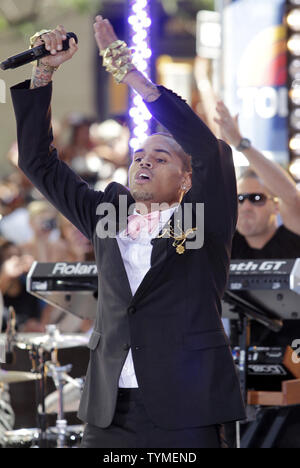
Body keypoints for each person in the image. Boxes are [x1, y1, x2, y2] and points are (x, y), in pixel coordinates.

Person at [10, 18, 245, 448]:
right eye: (139, 156)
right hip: (109, 406)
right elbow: (39, 165)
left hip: (186, 403)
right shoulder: (107, 215)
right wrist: (44, 72)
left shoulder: (202, 218)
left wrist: (133, 79)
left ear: (187, 179)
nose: (144, 162)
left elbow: (209, 150)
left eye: (161, 158)